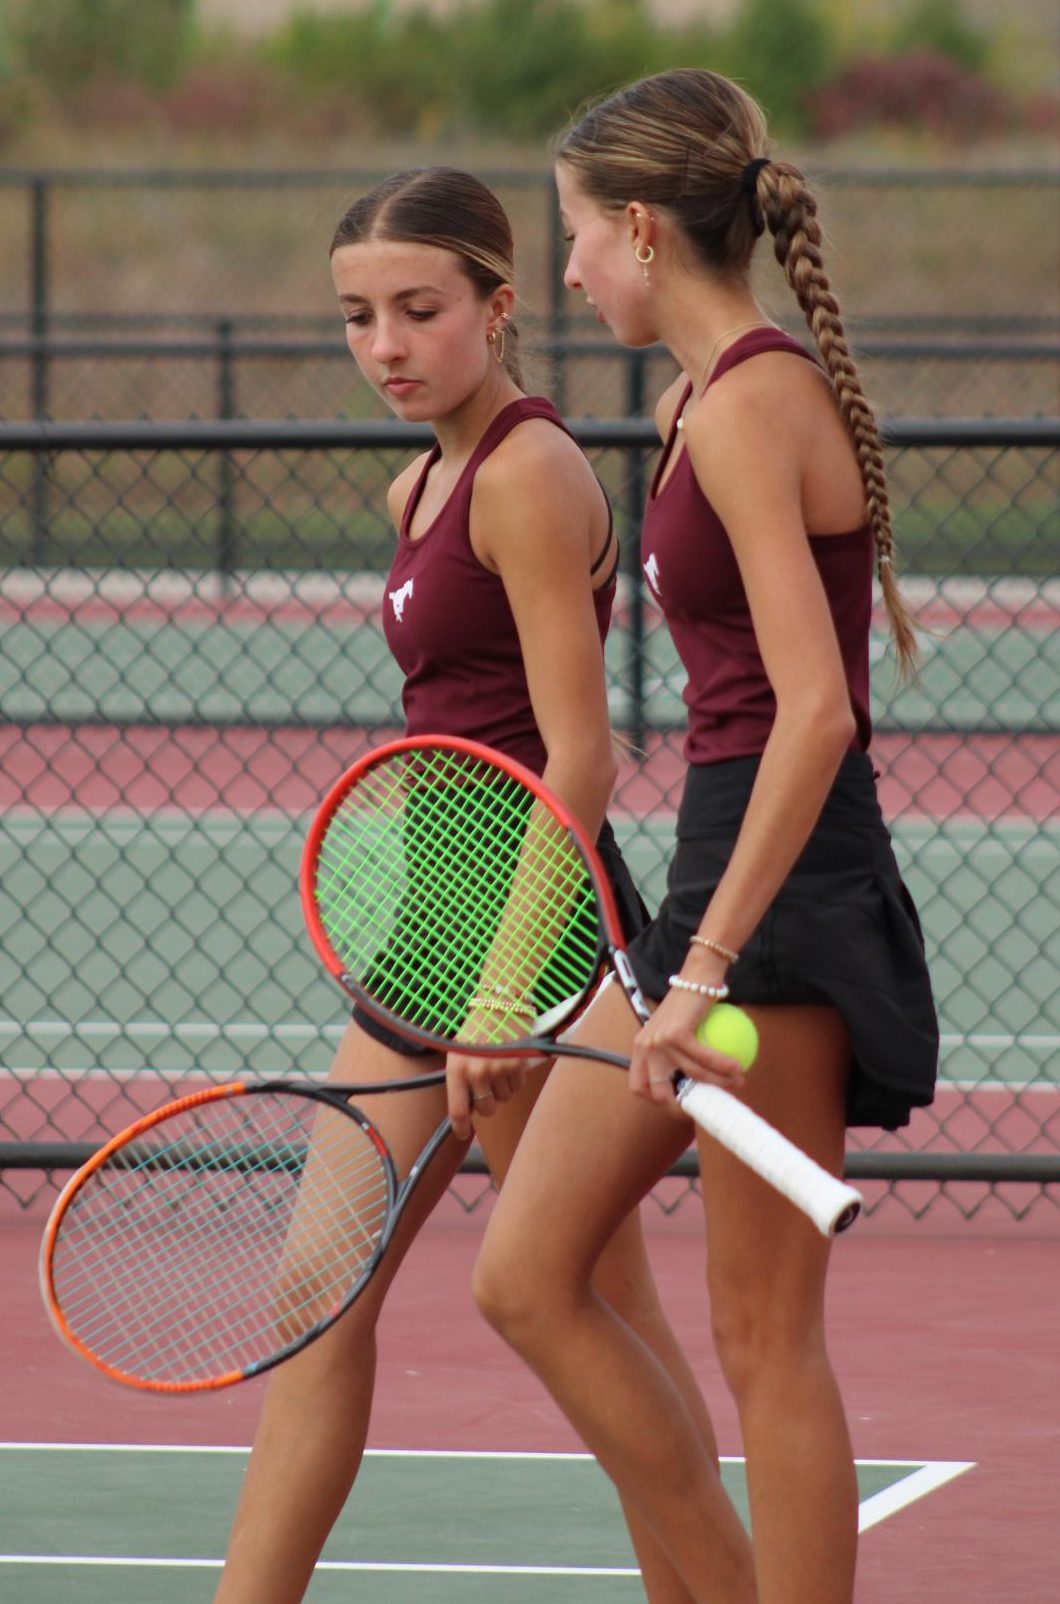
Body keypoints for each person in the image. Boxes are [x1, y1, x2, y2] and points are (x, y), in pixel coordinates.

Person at [215, 165, 754, 1604]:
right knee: (316, 1306)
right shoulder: (419, 482)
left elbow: (578, 762)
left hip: (546, 943)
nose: (386, 345)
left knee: (590, 1317)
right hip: (420, 940)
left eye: (418, 310)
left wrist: (505, 993)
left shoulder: (527, 472)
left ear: (499, 306)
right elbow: (457, 718)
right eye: (356, 318)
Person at [460, 70, 939, 1604]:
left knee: (760, 1333)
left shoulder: (746, 404)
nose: (575, 272)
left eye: (580, 239)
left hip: (776, 908)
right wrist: (684, 953)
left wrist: (702, 968)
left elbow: (814, 715)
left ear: (646, 231)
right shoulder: (698, 401)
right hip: (718, 884)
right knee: (527, 1277)